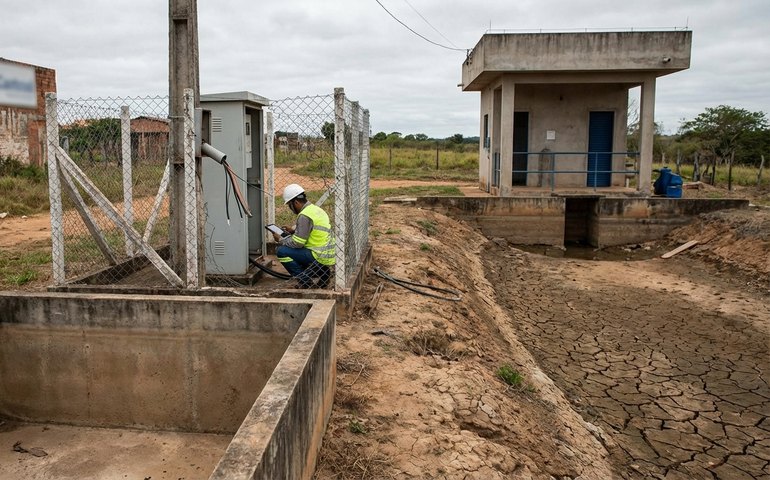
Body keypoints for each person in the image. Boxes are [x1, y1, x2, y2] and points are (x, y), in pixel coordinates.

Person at [273, 184, 336, 288]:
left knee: (281, 251)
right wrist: (293, 231)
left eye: (290, 205)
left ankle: (305, 281)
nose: (290, 208)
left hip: (318, 255)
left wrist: (280, 239)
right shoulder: (316, 210)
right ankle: (323, 273)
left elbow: (298, 243)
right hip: (328, 254)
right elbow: (312, 232)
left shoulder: (304, 215)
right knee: (293, 251)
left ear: (296, 202)